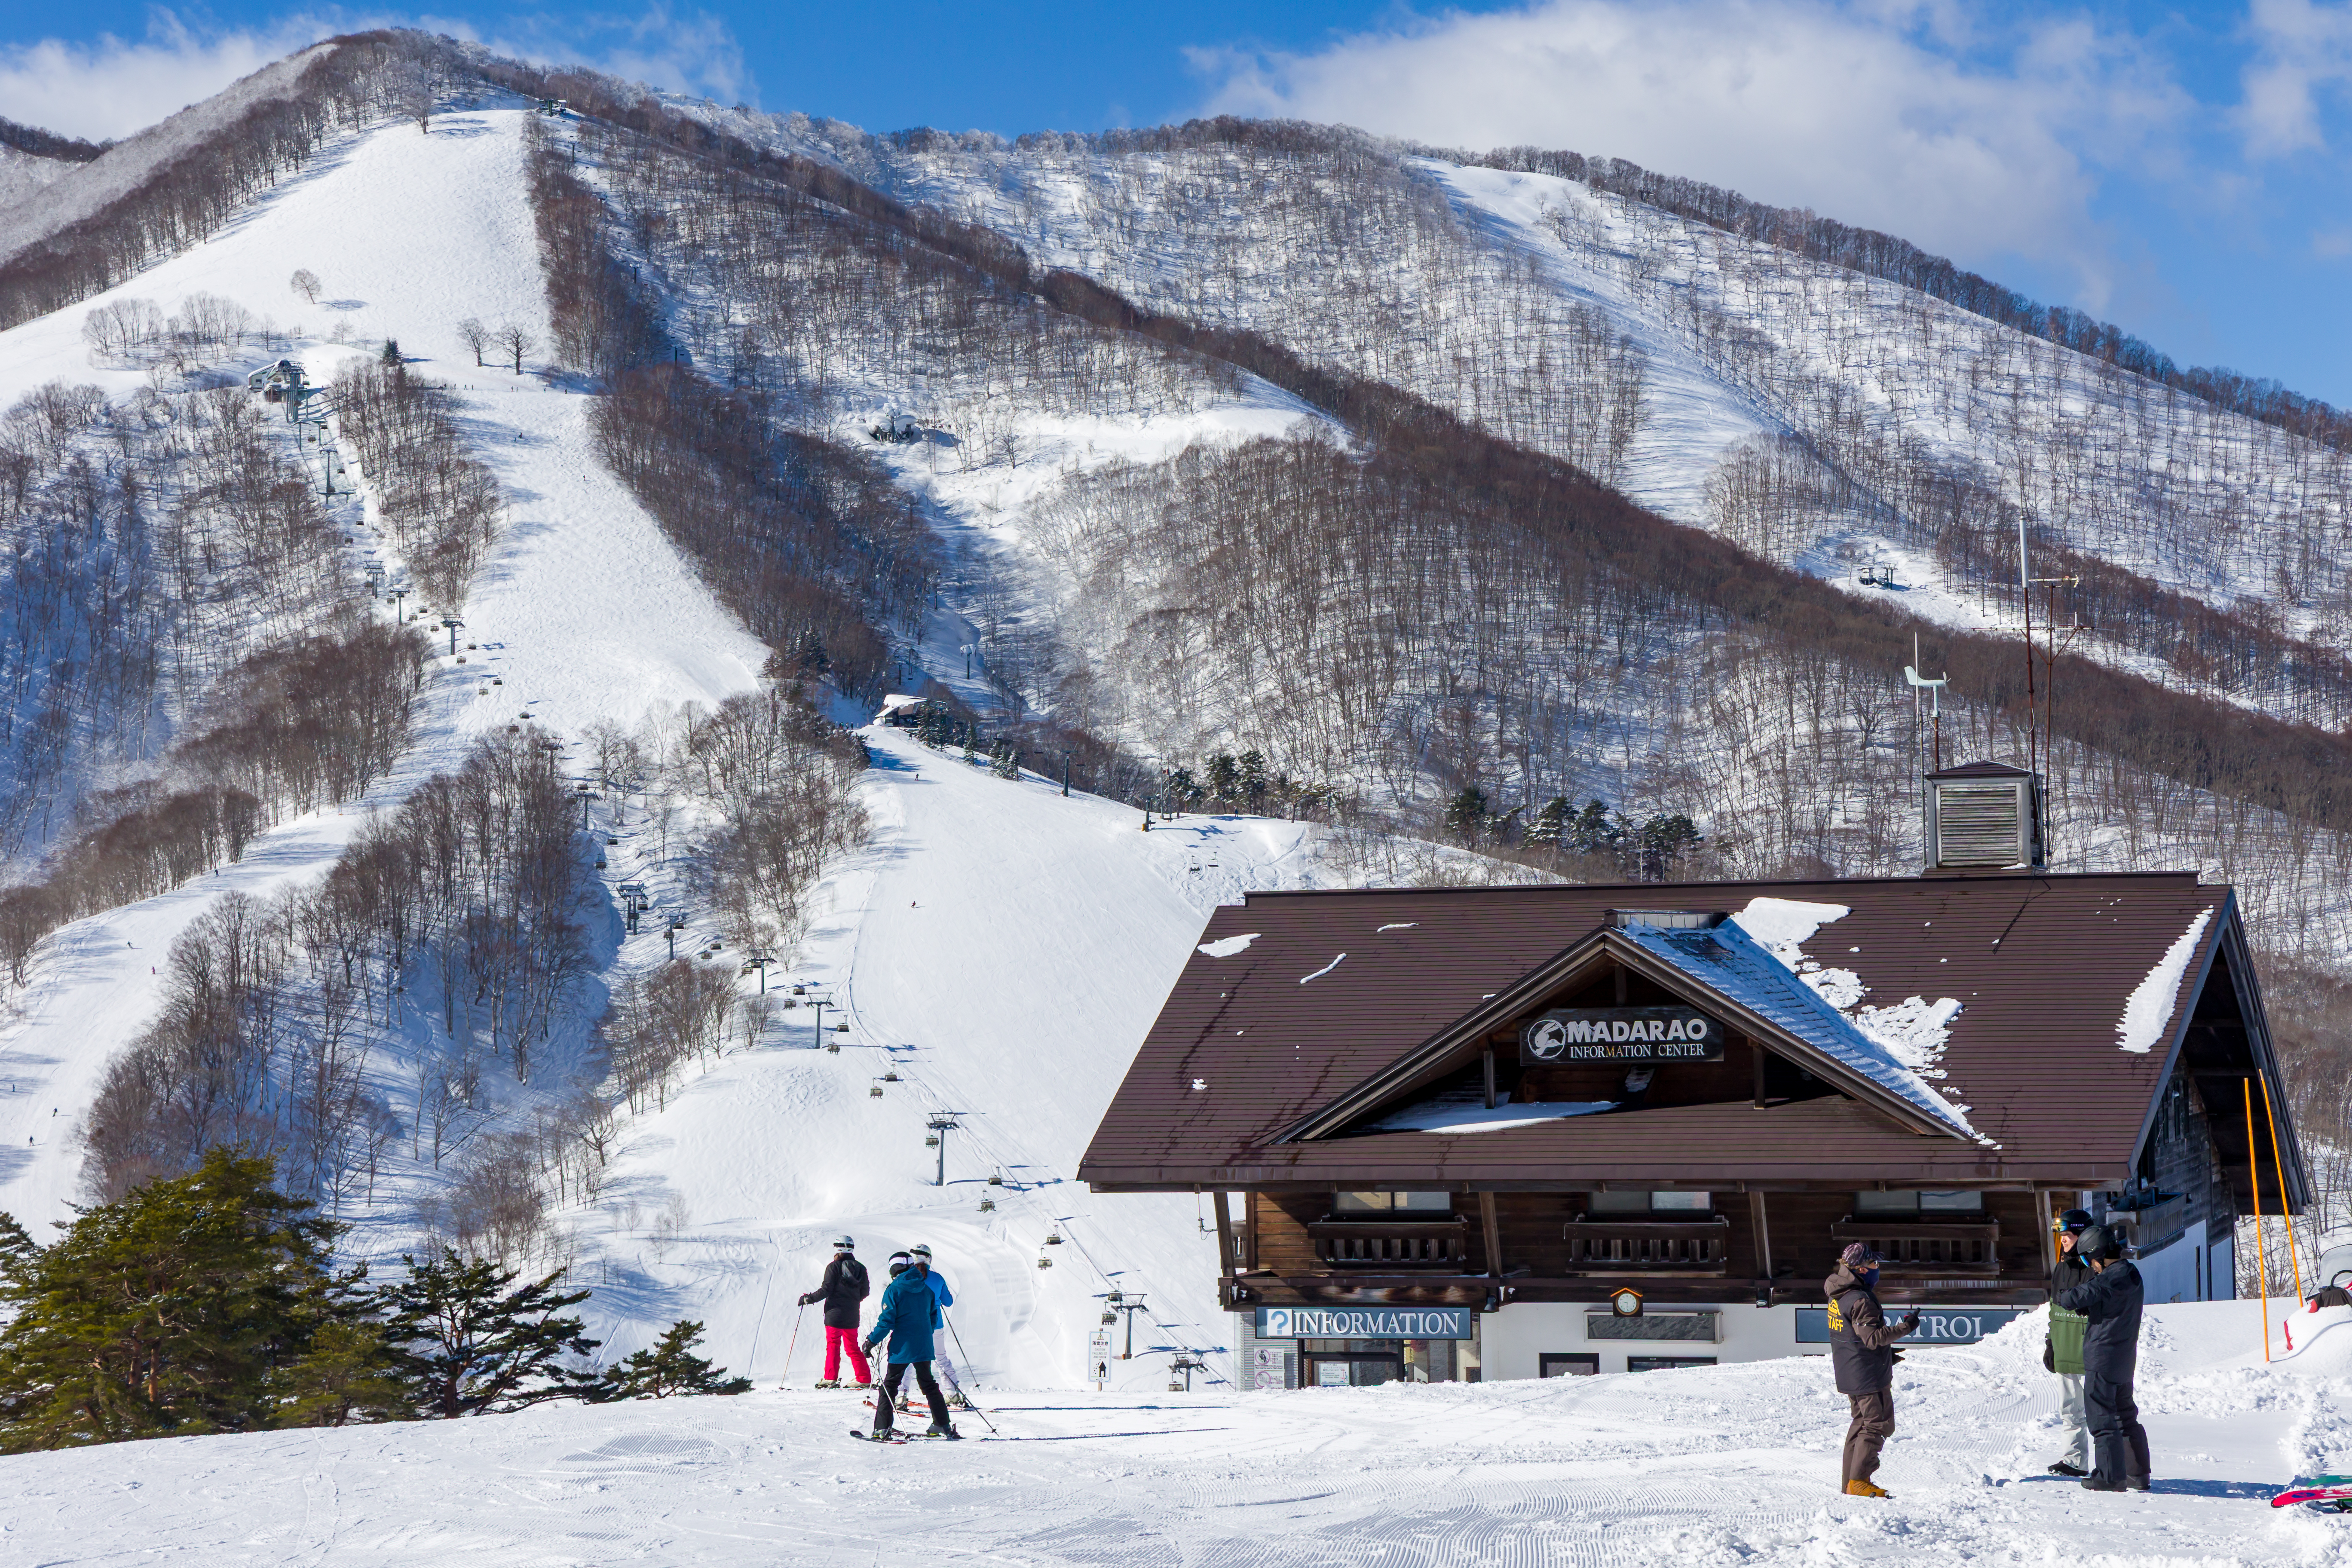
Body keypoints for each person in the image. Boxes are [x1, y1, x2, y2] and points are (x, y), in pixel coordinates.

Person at [2057, 1223, 2151, 1492]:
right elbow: (2108, 1300)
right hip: (2123, 1356)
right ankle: (2137, 1475)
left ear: (2098, 1256)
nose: (2090, 1265)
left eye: (2088, 1259)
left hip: (2103, 1356)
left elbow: (2077, 1296)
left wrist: (2065, 1295)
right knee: (2125, 1416)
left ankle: (2110, 1477)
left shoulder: (2112, 1276)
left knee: (2101, 1418)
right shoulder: (2131, 1273)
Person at [1825, 1240, 1919, 1498]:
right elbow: (1872, 1338)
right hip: (1867, 1376)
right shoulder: (1861, 1299)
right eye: (1874, 1263)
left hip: (1852, 1370)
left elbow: (1854, 1337)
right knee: (1877, 1424)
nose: (1878, 1267)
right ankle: (1859, 1482)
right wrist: (1906, 1327)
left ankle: (1851, 1483)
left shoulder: (1839, 1294)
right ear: (1862, 1269)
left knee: (1861, 1424)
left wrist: (1886, 1355)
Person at [863, 1245, 956, 1438]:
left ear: (894, 1269)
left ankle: (882, 1428)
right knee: (929, 1384)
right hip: (924, 1345)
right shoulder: (926, 1288)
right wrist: (923, 1333)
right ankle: (942, 1424)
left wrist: (871, 1341)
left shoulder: (894, 1290)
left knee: (889, 1386)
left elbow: (886, 1322)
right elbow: (933, 1317)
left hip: (902, 1347)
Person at [2045, 1209, 2095, 1477]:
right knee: (2070, 1411)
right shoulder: (2061, 1269)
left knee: (2101, 1414)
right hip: (2066, 1350)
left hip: (2092, 1353)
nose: (2063, 1241)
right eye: (2062, 1236)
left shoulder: (2097, 1269)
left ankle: (2113, 1465)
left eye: (2068, 1235)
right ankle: (2074, 1462)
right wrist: (2051, 1344)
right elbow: (2054, 1312)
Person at [893, 1243, 972, 1410]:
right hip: (935, 1325)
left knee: (907, 1360)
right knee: (941, 1358)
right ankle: (952, 1393)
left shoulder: (905, 1277)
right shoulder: (938, 1278)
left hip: (911, 1326)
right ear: (929, 1259)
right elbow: (948, 1302)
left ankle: (901, 1396)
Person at [799, 1235, 871, 1389]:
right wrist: (852, 1302)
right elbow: (865, 1292)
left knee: (833, 1345)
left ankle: (830, 1378)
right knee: (852, 1347)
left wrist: (808, 1299)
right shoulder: (861, 1268)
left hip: (834, 1314)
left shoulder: (834, 1267)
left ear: (838, 1249)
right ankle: (864, 1378)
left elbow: (827, 1290)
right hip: (852, 1315)